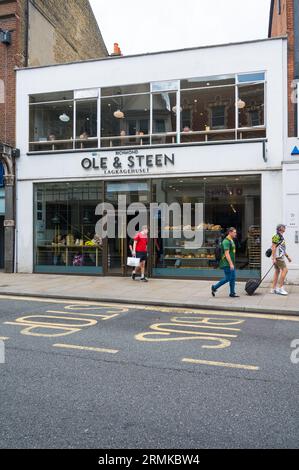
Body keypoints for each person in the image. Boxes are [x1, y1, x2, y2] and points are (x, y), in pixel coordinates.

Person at [211, 227, 239, 298]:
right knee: (228, 278)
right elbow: (227, 254)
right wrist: (231, 264)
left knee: (232, 278)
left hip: (230, 263)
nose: (236, 233)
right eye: (234, 232)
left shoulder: (231, 240)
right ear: (230, 232)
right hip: (226, 263)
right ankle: (214, 287)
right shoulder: (226, 241)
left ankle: (232, 293)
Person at [270, 224, 292, 295]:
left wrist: (287, 256)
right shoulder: (276, 236)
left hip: (279, 257)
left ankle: (273, 289)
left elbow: (281, 248)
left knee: (277, 271)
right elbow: (273, 247)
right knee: (285, 270)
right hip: (278, 257)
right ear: (280, 228)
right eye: (283, 227)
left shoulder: (280, 236)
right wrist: (273, 258)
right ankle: (280, 288)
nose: (285, 228)